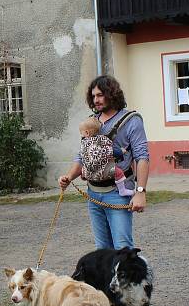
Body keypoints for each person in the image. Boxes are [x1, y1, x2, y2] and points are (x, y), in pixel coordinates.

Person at [59, 75, 149, 250]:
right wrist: (69, 177)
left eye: (100, 95)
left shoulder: (132, 120)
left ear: (112, 93)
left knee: (123, 249)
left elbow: (142, 157)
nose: (96, 100)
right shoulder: (91, 123)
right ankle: (108, 279)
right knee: (102, 250)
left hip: (118, 193)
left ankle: (131, 278)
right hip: (93, 193)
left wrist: (140, 192)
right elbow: (82, 156)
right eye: (93, 96)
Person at [78, 117, 135, 197]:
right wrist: (121, 151)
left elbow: (82, 156)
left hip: (88, 172)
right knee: (119, 172)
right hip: (104, 171)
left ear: (87, 133)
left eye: (81, 132)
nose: (81, 135)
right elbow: (109, 150)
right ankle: (122, 190)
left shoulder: (84, 142)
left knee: (85, 168)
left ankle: (86, 175)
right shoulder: (102, 139)